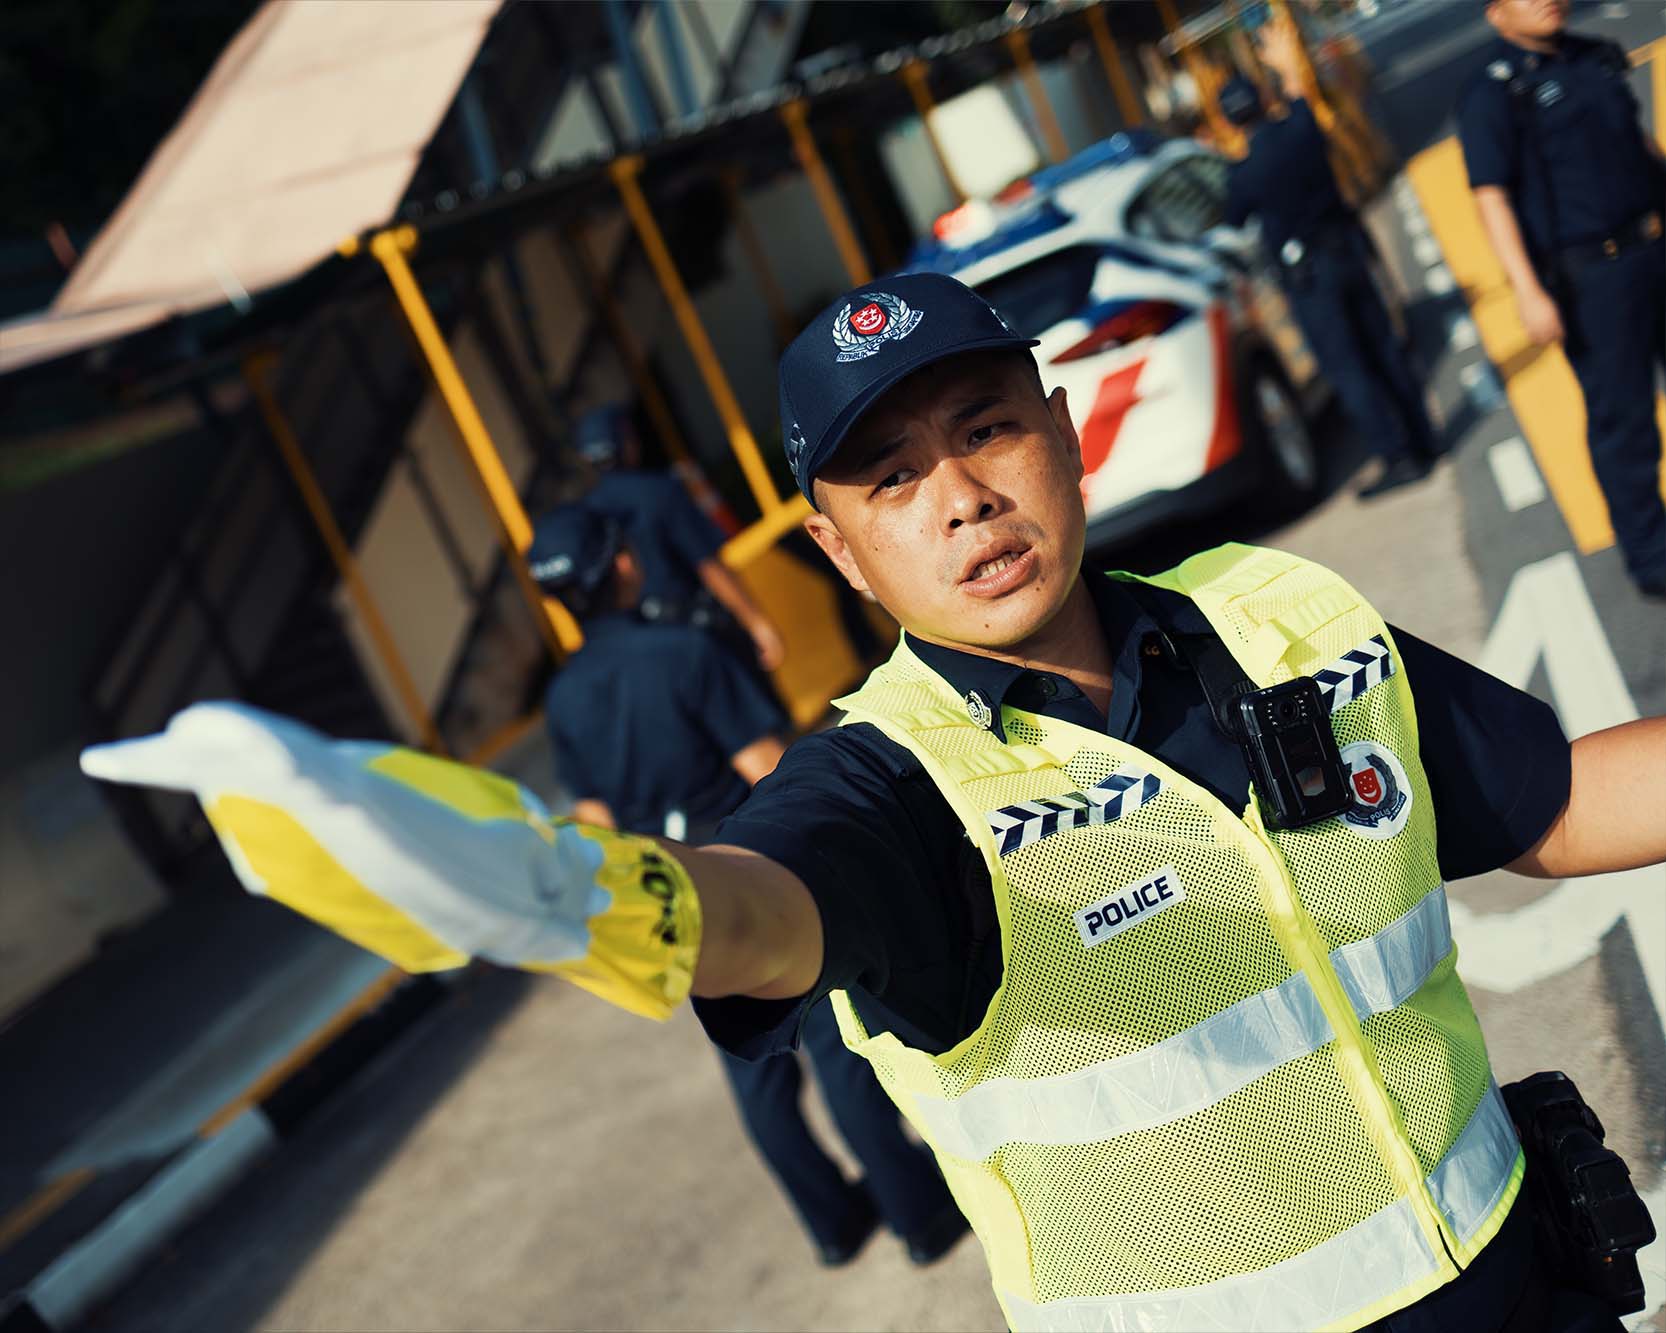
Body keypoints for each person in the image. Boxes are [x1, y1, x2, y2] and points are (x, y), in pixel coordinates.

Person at [84, 273, 1666, 1332]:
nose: (962, 497)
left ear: (1061, 435)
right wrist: (575, 900)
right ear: (840, 555)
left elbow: (1562, 802)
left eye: (984, 431)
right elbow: (759, 910)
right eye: (890, 478)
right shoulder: (889, 781)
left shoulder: (1279, 614)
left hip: (1527, 1278)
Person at [525, 502, 966, 1267]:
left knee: (756, 1076)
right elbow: (767, 767)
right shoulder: (685, 653)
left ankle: (831, 1224)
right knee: (837, 1047)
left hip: (676, 891)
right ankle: (917, 1213)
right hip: (752, 870)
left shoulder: (564, 699)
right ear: (622, 565)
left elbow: (594, 821)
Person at [1457, 0, 1666, 596]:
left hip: (1652, 244)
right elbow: (1490, 198)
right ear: (1497, 14)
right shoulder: (1493, 92)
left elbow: (1637, 143)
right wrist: (1528, 291)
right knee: (1624, 421)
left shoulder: (1594, 55)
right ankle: (1652, 555)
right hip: (1590, 277)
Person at [1222, 21, 1443, 499]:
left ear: (1228, 122)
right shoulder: (1301, 129)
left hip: (1309, 281)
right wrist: (1285, 63)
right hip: (1347, 251)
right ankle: (1425, 438)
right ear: (1263, 101)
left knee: (1349, 369)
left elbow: (1232, 220)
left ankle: (1398, 456)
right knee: (1384, 347)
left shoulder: (1244, 172)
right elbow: (1302, 94)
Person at [573, 403, 786, 669]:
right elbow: (707, 564)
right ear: (626, 441)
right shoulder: (660, 491)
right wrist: (757, 623)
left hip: (642, 650)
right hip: (698, 631)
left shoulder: (584, 518)